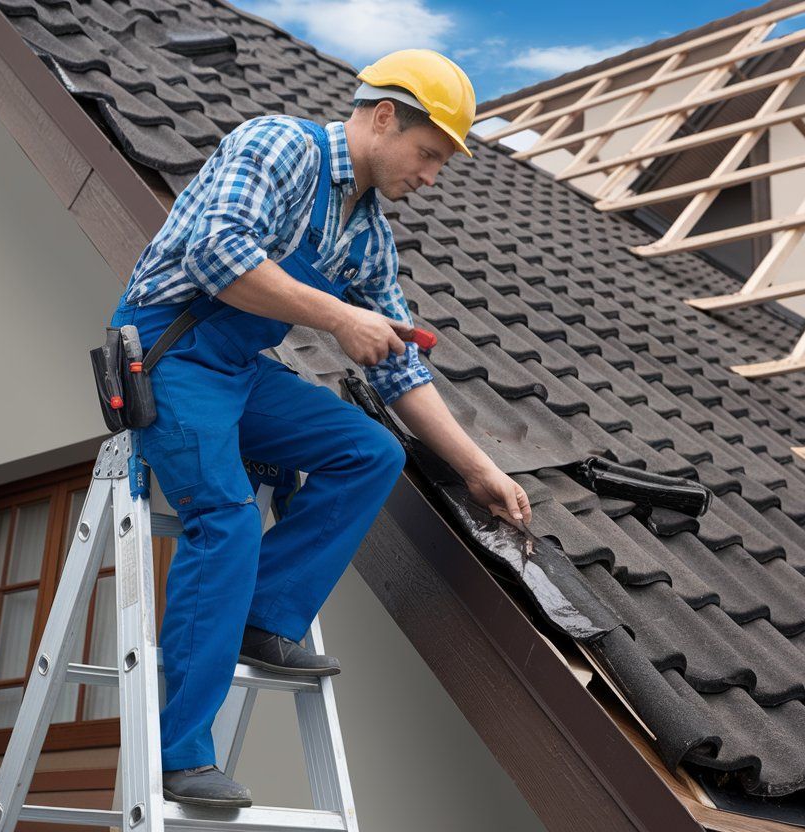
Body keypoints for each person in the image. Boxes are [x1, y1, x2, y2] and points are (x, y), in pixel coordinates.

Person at [107, 49, 531, 808]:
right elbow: (216, 255)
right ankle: (178, 755)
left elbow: (398, 368)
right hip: (169, 353)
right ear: (380, 117)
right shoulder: (280, 146)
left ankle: (264, 615)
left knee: (367, 451)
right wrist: (339, 316)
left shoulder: (367, 233)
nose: (431, 176)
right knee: (228, 520)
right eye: (429, 154)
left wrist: (479, 470)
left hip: (237, 370)